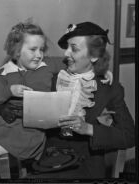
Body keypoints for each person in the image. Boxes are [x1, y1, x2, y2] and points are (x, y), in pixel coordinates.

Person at [31, 22, 135, 179]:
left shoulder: (109, 89)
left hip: (85, 167)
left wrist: (88, 129)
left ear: (94, 56)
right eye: (67, 47)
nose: (66, 53)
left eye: (74, 48)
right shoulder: (53, 79)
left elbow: (129, 136)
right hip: (49, 164)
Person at [0, 19, 65, 179]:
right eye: (33, 49)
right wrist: (9, 90)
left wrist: (100, 71)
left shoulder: (47, 64)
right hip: (3, 127)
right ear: (17, 50)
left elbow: (73, 62)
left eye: (42, 49)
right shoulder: (4, 72)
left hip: (30, 130)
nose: (39, 55)